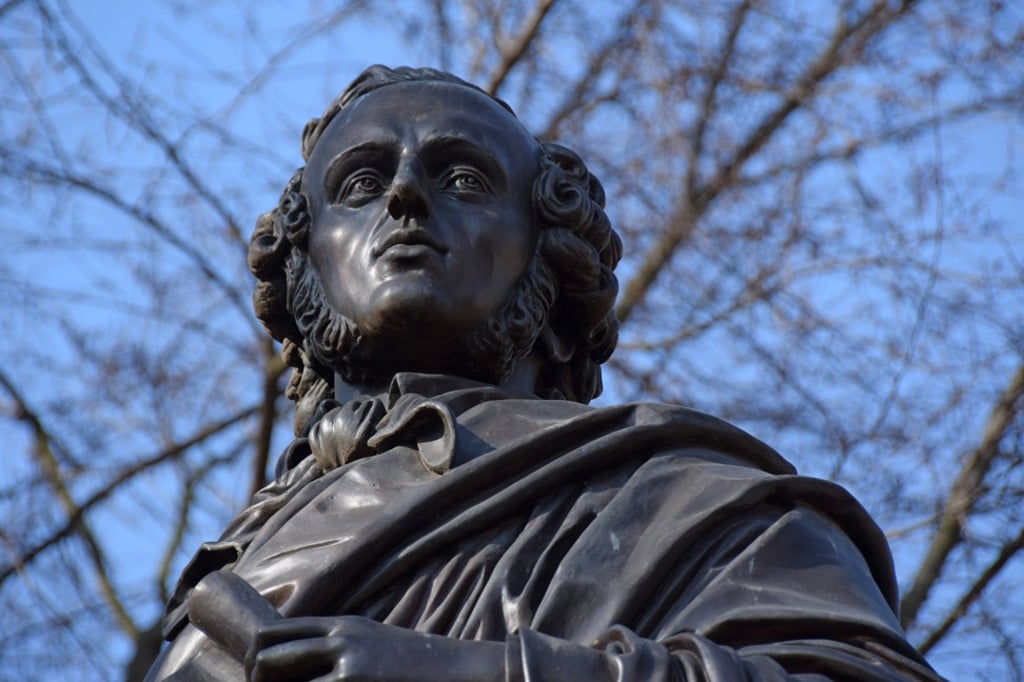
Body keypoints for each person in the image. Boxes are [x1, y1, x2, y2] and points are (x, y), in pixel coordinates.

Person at [147, 65, 942, 681]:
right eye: (358, 184)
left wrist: (476, 673)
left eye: (463, 179)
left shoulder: (681, 501)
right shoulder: (239, 555)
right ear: (301, 262)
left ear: (549, 251)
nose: (403, 198)